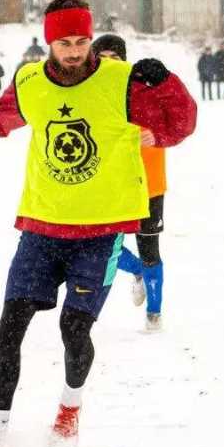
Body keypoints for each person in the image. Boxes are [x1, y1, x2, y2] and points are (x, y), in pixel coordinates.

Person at [0, 0, 197, 447]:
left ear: (91, 38)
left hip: (99, 232)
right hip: (41, 228)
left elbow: (179, 126)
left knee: (74, 329)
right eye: (64, 43)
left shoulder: (123, 83)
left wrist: (167, 83)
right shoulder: (31, 82)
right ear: (49, 42)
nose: (75, 51)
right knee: (9, 327)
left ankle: (68, 409)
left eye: (81, 41)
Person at [92, 33, 171, 331]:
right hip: (112, 184)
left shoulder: (146, 89)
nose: (109, 64)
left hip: (150, 183)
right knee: (102, 247)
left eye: (116, 57)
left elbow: (177, 119)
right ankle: (136, 269)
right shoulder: (91, 93)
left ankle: (154, 313)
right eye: (103, 58)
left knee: (151, 249)